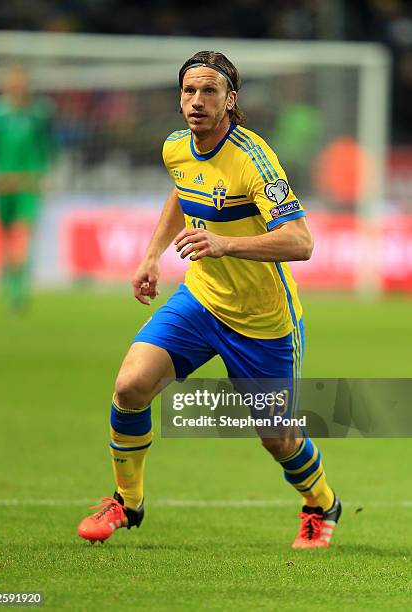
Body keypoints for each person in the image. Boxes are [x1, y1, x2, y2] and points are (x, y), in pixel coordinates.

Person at [77, 51, 341, 549]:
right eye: (189, 92)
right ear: (180, 100)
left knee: (276, 438)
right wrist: (151, 255)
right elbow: (182, 191)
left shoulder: (253, 159)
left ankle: (321, 502)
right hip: (200, 301)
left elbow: (301, 241)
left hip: (263, 322)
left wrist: (224, 243)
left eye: (209, 92)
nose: (197, 101)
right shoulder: (176, 147)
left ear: (230, 100)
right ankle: (127, 501)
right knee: (130, 386)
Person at [0, 65, 56, 310]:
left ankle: (20, 289)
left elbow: (49, 146)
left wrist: (48, 172)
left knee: (23, 234)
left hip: (29, 182)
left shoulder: (40, 113)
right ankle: (9, 282)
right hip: (2, 183)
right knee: (6, 236)